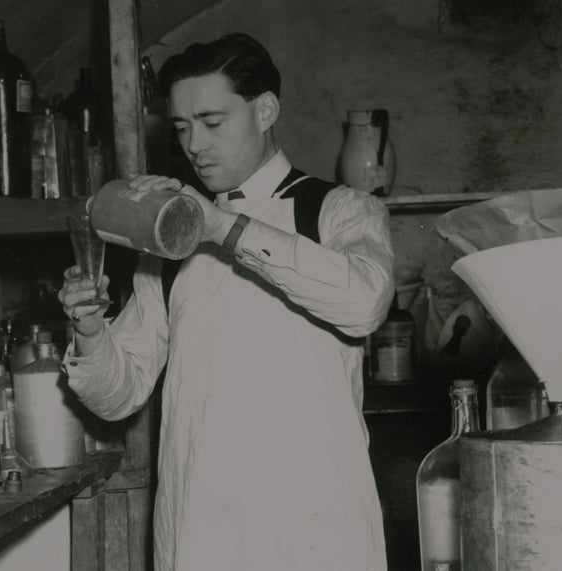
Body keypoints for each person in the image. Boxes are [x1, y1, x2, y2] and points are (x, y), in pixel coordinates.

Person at [58, 33, 394, 570]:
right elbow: (118, 396)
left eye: (212, 122)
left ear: (265, 110)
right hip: (203, 528)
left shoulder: (339, 210)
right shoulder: (169, 241)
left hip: (314, 528)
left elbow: (364, 304)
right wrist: (92, 330)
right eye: (182, 127)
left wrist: (219, 226)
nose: (195, 145)